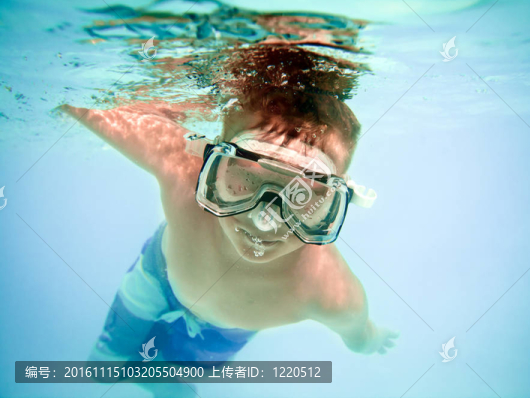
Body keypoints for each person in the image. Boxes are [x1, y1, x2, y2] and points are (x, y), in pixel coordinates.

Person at [61, 44, 398, 395]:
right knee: (102, 368)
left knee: (171, 383)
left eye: (301, 198)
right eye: (245, 179)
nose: (264, 220)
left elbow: (358, 332)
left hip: (222, 330)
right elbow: (76, 98)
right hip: (158, 275)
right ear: (206, 162)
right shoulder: (183, 172)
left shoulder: (329, 292)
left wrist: (370, 339)